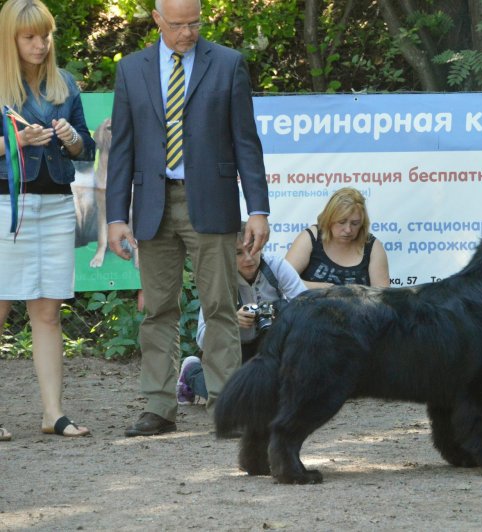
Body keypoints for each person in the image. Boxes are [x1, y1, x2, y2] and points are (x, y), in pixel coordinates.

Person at [106, 0, 270, 437]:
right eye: (178, 25)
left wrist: (257, 210)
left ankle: (226, 406)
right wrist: (115, 217)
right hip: (152, 205)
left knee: (219, 305)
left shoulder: (229, 64)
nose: (188, 33)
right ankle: (159, 407)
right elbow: (122, 148)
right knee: (158, 308)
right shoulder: (131, 69)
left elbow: (246, 143)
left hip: (212, 202)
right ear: (157, 19)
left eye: (195, 23)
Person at [0, 0, 96, 438]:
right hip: (7, 206)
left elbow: (87, 149)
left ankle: (53, 413)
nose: (40, 45)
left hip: (57, 205)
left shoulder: (66, 83)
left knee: (48, 311)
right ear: (10, 39)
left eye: (45, 36)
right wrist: (16, 141)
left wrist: (73, 140)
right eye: (29, 37)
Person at [176, 224, 307, 405]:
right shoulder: (218, 279)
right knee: (234, 397)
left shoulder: (277, 266)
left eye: (252, 249)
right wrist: (230, 321)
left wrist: (280, 312)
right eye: (238, 253)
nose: (248, 259)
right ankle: (191, 373)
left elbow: (309, 310)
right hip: (234, 351)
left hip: (272, 347)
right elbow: (202, 340)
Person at [285, 187, 390, 288]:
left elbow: (382, 297)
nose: (348, 229)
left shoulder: (372, 246)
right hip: (311, 305)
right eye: (341, 222)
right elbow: (283, 281)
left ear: (362, 223)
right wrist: (325, 289)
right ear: (329, 219)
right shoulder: (312, 238)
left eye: (355, 223)